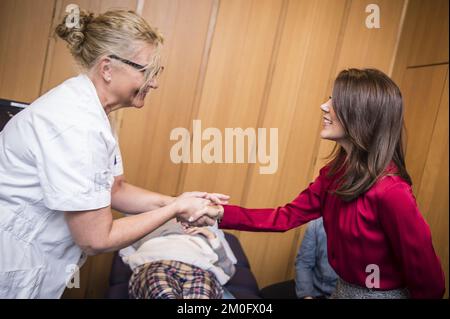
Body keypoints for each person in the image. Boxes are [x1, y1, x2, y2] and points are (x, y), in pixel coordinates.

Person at [0, 9, 225, 298]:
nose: (154, 82)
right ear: (107, 68)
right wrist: (174, 210)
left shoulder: (94, 112)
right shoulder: (75, 124)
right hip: (13, 259)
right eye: (147, 71)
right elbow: (96, 238)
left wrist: (179, 202)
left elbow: (115, 189)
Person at [198, 69, 446, 299]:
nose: (324, 106)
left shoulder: (392, 192)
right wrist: (219, 213)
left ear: (361, 115)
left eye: (335, 101)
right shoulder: (334, 174)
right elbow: (285, 216)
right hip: (342, 290)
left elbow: (429, 280)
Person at [120, 218, 236, 299]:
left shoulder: (205, 234)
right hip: (156, 265)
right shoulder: (147, 227)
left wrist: (212, 236)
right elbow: (124, 250)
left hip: (199, 270)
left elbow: (228, 271)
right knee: (161, 291)